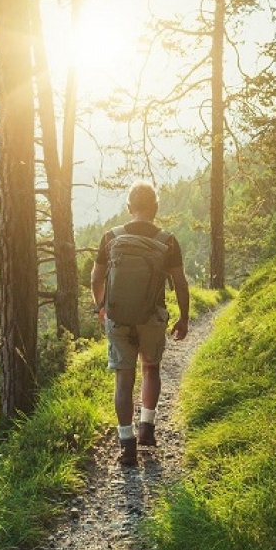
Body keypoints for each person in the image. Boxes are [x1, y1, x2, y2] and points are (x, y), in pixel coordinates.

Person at [90, 181, 189, 466]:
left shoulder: (111, 237)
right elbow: (180, 284)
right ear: (156, 209)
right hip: (152, 316)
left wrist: (102, 307)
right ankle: (147, 427)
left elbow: (96, 278)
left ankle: (127, 444)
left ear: (129, 207)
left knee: (123, 378)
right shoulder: (167, 240)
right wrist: (183, 317)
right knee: (150, 368)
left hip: (118, 317)